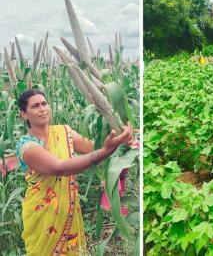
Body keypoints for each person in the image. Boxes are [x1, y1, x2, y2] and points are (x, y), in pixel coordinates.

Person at [15, 89, 134, 255]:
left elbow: (93, 147)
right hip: (42, 216)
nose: (42, 108)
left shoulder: (64, 132)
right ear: (24, 114)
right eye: (35, 106)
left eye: (44, 103)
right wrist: (105, 151)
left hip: (69, 210)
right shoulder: (26, 146)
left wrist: (119, 139)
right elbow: (60, 167)